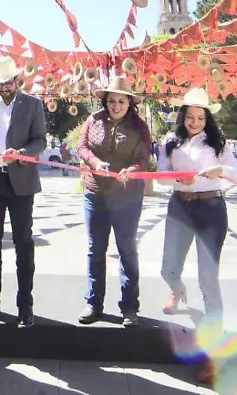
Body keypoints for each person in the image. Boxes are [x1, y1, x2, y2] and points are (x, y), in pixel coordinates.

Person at [155, 88, 237, 385]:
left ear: (207, 119)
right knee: (167, 268)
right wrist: (178, 177)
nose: (194, 121)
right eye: (189, 116)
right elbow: (161, 172)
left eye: (199, 117)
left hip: (211, 208)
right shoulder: (170, 141)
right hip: (179, 206)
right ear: (182, 117)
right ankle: (176, 288)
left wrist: (221, 169)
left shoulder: (218, 143)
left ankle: (214, 356)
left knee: (208, 280)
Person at [0, 56, 47, 327]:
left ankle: (25, 304)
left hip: (21, 182)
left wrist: (22, 154)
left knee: (23, 242)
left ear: (17, 80)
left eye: (7, 83)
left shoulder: (33, 105)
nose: (3, 88)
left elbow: (40, 141)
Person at [75, 75, 153, 327]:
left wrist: (131, 170)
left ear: (129, 102)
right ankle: (93, 303)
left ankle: (130, 306)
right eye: (112, 101)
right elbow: (82, 147)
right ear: (106, 101)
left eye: (121, 101)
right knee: (95, 249)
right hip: (95, 193)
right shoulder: (92, 120)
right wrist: (96, 163)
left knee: (127, 249)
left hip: (127, 197)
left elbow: (144, 157)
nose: (116, 105)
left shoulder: (139, 126)